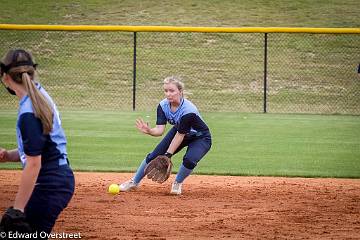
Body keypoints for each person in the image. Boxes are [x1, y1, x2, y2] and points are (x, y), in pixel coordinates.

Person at [0, 49, 75, 237]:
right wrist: (9, 156)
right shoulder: (39, 96)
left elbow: (34, 164)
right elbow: (41, 147)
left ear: (5, 77)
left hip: (48, 184)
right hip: (56, 180)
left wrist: (18, 210)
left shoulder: (28, 111)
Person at [119, 76, 212, 195]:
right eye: (166, 90)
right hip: (179, 131)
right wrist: (149, 131)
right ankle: (134, 182)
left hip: (200, 137)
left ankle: (177, 183)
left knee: (190, 160)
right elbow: (159, 130)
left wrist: (168, 155)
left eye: (172, 91)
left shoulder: (188, 110)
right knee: (154, 156)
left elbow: (180, 135)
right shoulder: (163, 106)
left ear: (180, 91)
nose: (168, 94)